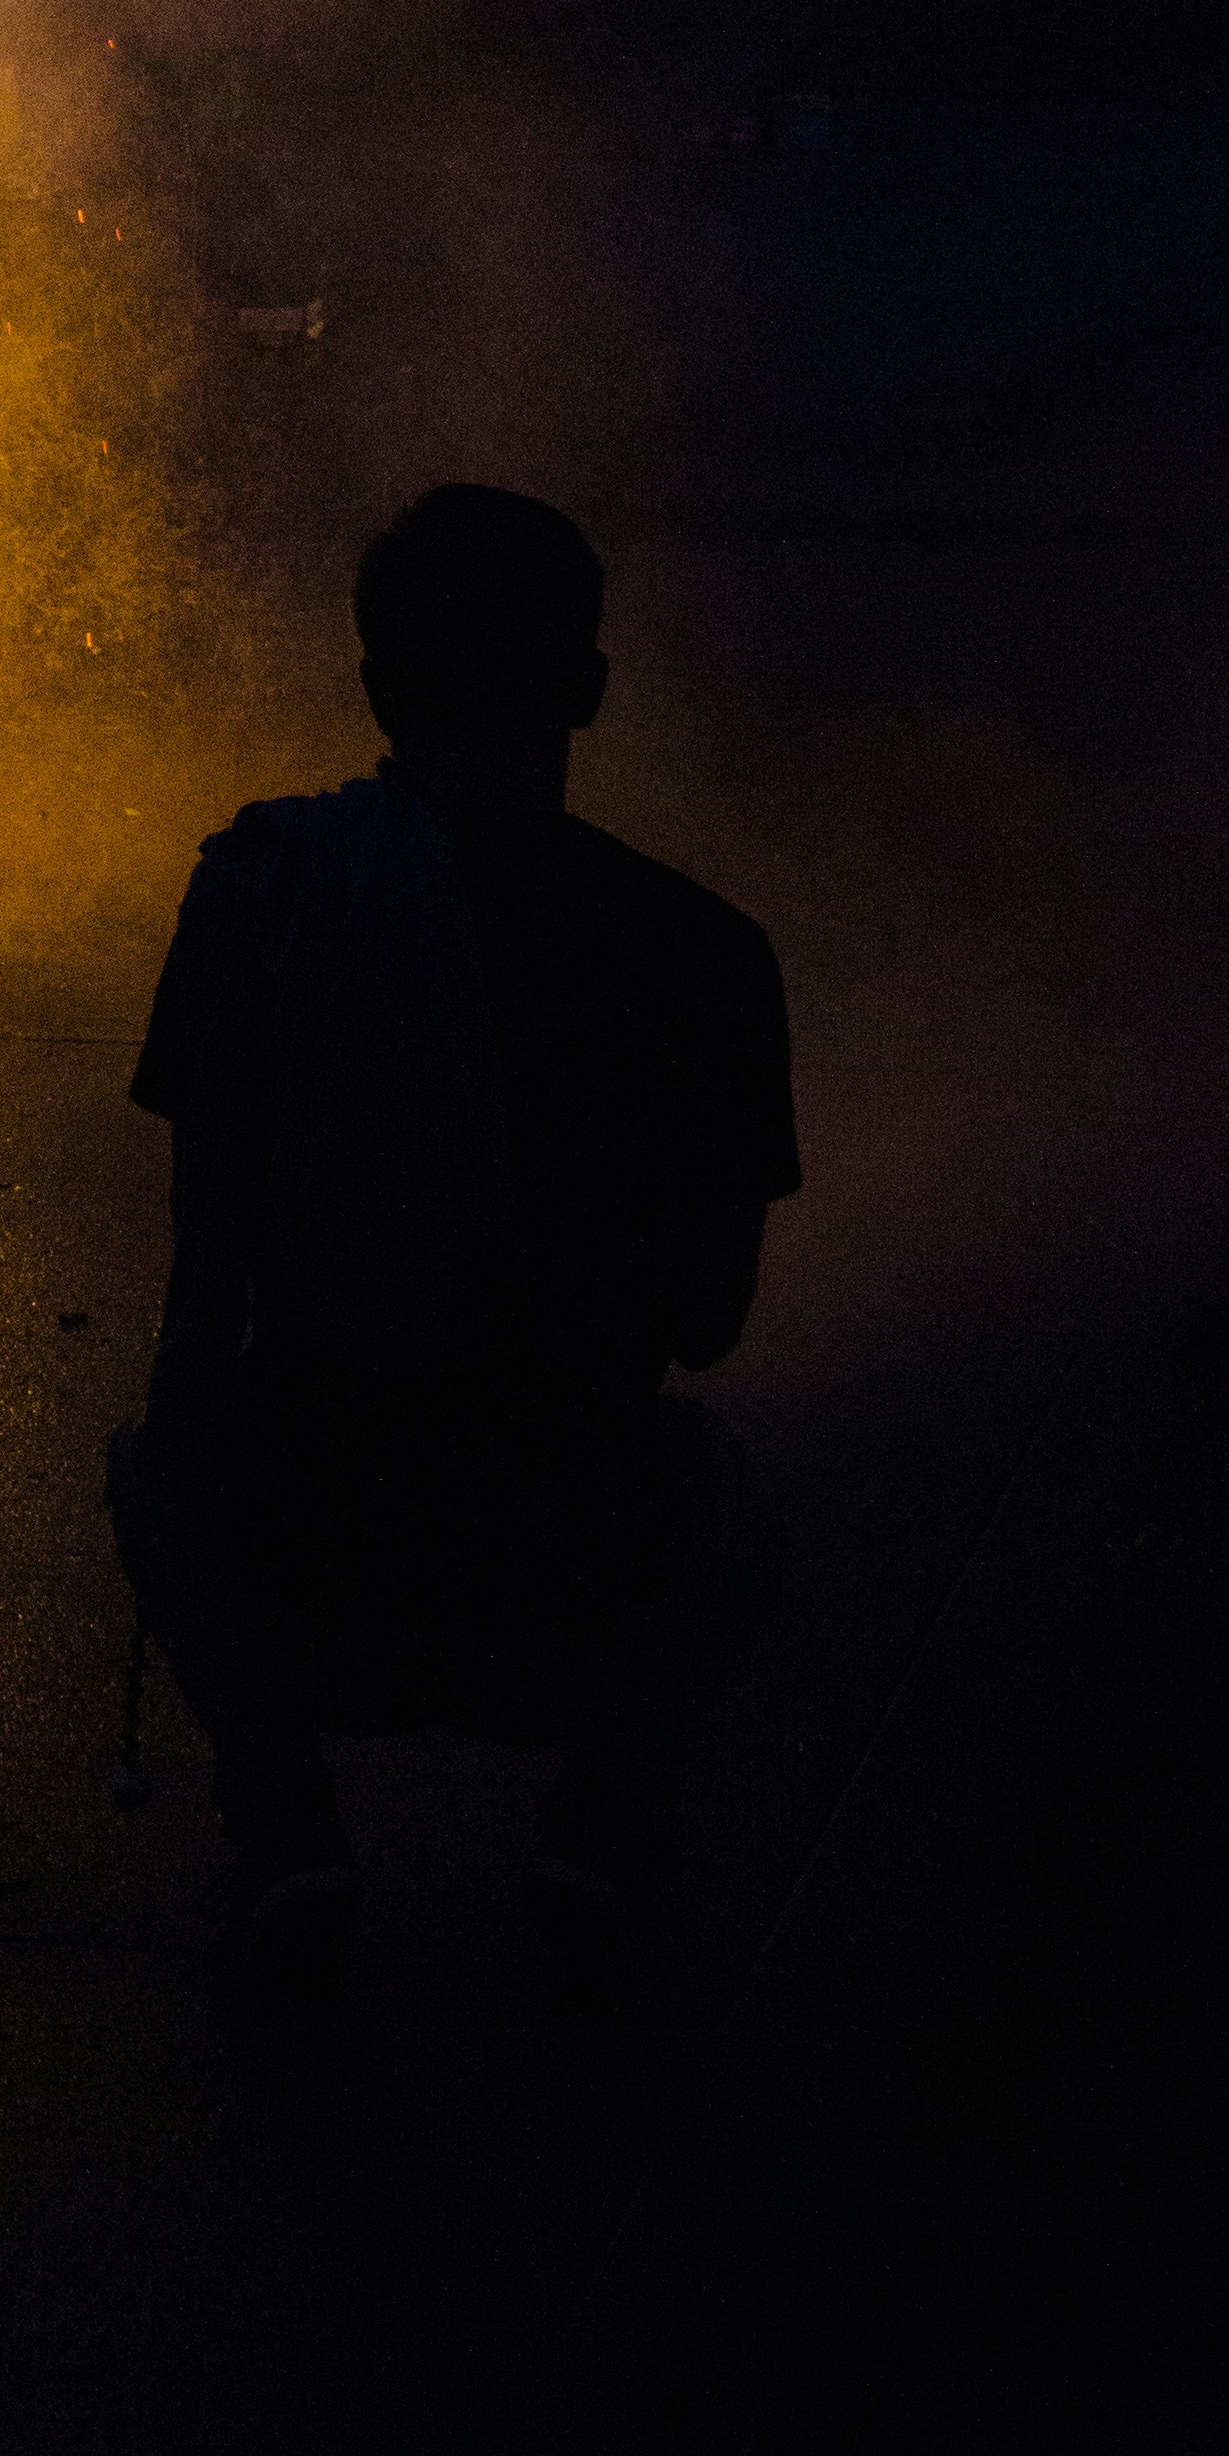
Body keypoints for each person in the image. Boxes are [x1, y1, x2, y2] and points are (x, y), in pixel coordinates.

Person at [108, 484, 800, 2014]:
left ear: (373, 690)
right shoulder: (707, 952)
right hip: (569, 1572)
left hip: (311, 1561)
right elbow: (708, 1321)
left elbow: (202, 1252)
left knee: (151, 1465)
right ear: (592, 686)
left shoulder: (265, 895)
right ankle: (605, 1839)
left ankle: (284, 1831)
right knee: (734, 1488)